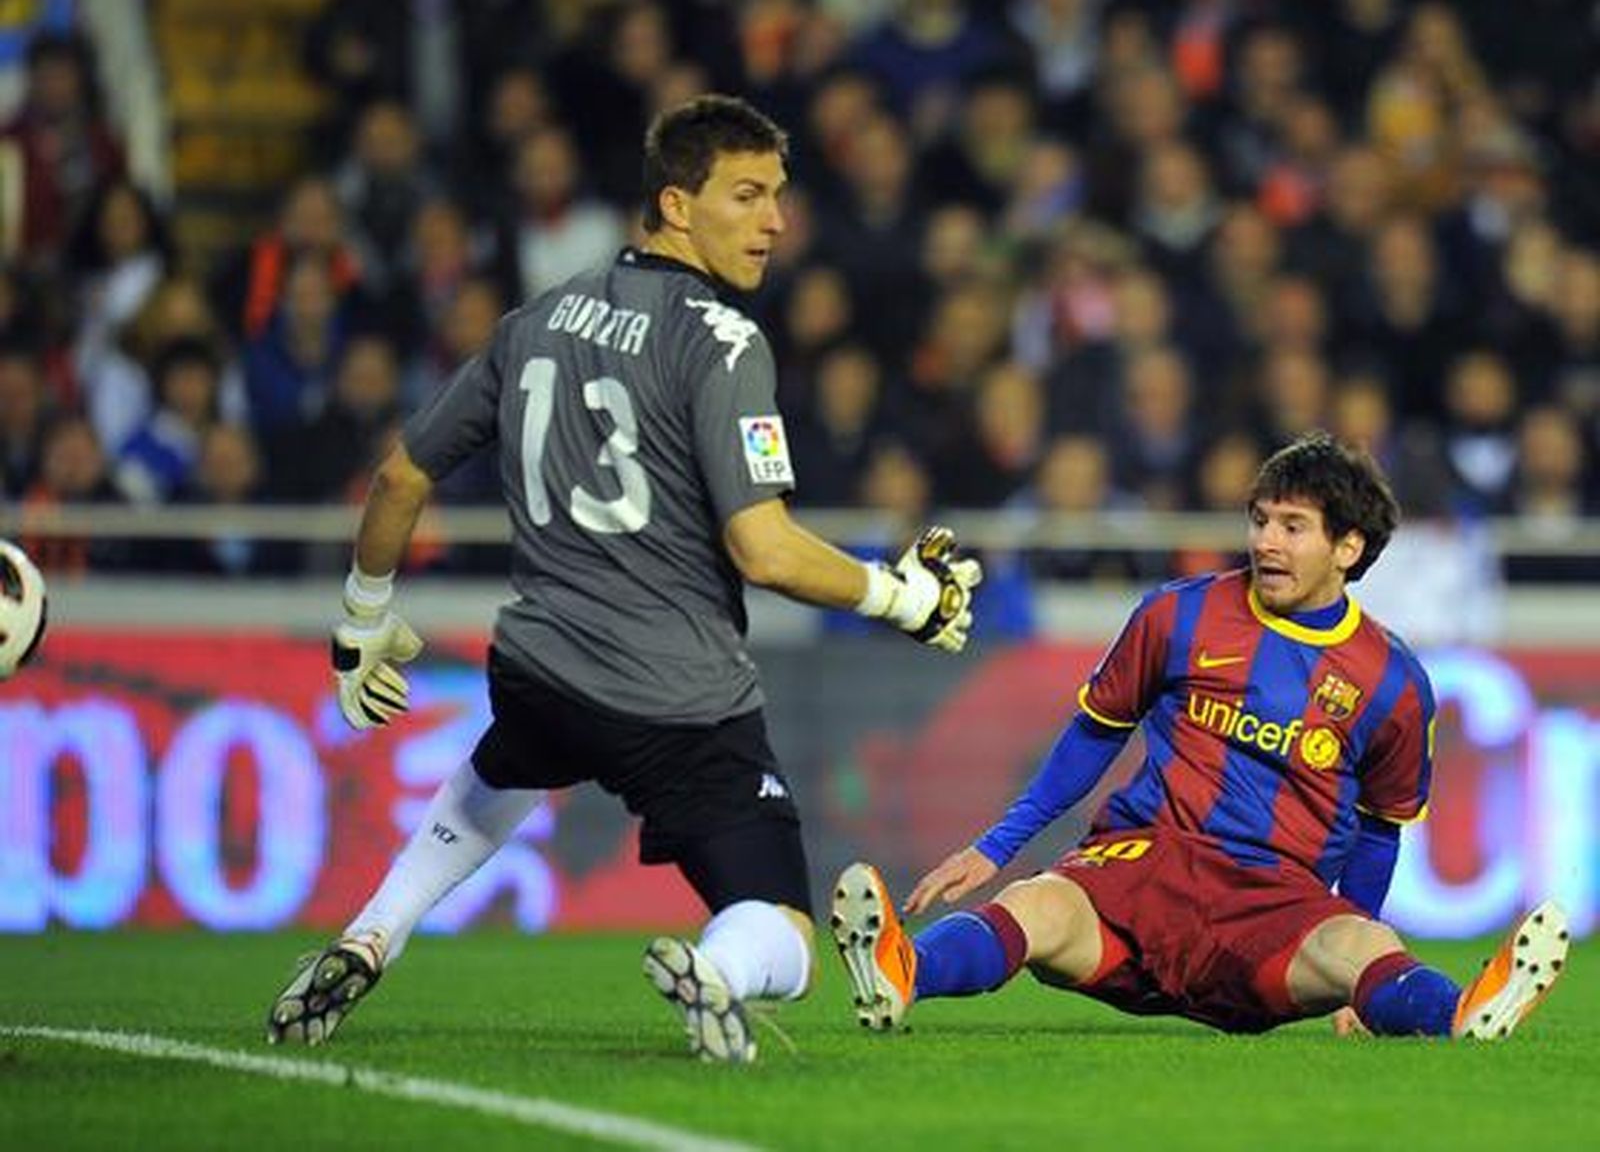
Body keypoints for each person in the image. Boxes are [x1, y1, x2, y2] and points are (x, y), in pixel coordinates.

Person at [264, 94, 982, 1063]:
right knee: (785, 924)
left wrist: (362, 618)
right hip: (675, 696)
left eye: (778, 195)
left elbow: (399, 476)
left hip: (539, 666)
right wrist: (902, 595)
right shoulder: (721, 341)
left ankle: (369, 935)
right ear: (676, 205)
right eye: (747, 194)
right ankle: (716, 973)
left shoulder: (536, 319)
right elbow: (763, 549)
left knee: (507, 764)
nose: (774, 219)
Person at [832, 431, 1568, 1042]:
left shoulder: (1392, 681)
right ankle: (903, 972)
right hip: (1146, 870)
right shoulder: (1177, 616)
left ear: (1348, 547)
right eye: (1259, 520)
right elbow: (1092, 736)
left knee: (1367, 948)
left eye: (1291, 526)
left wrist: (1354, 973)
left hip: (1270, 907)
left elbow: (1379, 831)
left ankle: (1461, 1013)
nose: (1266, 543)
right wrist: (994, 847)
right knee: (1036, 906)